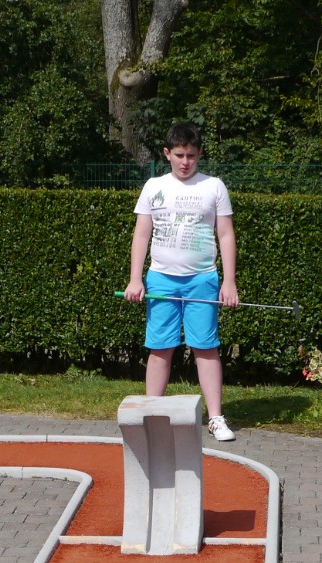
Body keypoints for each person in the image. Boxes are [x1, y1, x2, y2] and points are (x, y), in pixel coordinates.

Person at [123, 122, 240, 442]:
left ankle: (215, 418)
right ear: (167, 154)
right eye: (179, 155)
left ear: (199, 153)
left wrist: (229, 282)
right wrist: (135, 279)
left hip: (203, 279)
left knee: (206, 347)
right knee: (160, 347)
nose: (185, 162)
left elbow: (226, 235)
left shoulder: (214, 186)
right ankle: (152, 416)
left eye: (191, 155)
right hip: (161, 279)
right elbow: (141, 234)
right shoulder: (153, 186)